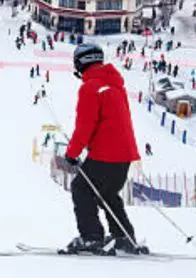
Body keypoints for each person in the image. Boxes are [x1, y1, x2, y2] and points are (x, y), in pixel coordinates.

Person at [62, 43, 146, 255]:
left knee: (81, 189)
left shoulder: (90, 87)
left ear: (80, 63)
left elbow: (85, 126)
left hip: (105, 154)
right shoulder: (115, 85)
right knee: (107, 193)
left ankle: (91, 237)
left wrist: (72, 153)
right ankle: (123, 236)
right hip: (125, 154)